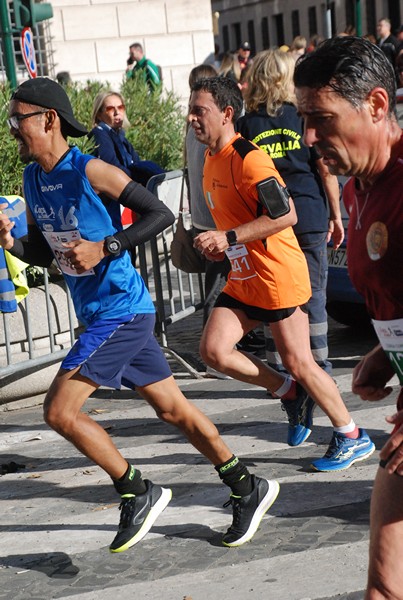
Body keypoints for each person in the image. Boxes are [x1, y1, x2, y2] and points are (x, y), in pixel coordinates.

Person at [0, 76, 279, 552]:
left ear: (48, 120)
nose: (10, 130)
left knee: (58, 411)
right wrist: (11, 243)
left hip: (122, 312)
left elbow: (158, 214)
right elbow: (52, 256)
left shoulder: (90, 171)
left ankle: (136, 490)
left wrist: (106, 246)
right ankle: (247, 486)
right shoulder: (32, 180)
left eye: (16, 119)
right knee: (174, 410)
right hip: (100, 315)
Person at [189, 75, 375, 470]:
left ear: (226, 114)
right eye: (190, 110)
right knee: (213, 351)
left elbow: (285, 214)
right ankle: (288, 392)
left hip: (276, 277)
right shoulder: (210, 158)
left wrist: (229, 237)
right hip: (244, 276)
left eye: (199, 110)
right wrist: (212, 238)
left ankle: (351, 435)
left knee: (301, 362)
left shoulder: (250, 158)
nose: (191, 118)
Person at [294, 35, 403, 599]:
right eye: (303, 119)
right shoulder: (361, 187)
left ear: (377, 106)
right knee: (383, 589)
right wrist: (385, 352)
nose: (310, 138)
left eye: (322, 119)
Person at [237, 49, 343, 376]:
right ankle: (318, 366)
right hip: (309, 213)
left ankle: (281, 367)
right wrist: (336, 215)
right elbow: (325, 169)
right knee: (313, 294)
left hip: (268, 221)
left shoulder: (245, 124)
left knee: (276, 294)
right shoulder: (300, 117)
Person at [186, 65, 230, 331]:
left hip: (205, 216)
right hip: (214, 219)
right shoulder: (202, 129)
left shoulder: (190, 127)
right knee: (217, 287)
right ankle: (214, 347)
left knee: (220, 284)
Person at [90, 90, 164, 189]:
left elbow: (136, 163)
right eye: (110, 109)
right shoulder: (100, 134)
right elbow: (111, 168)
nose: (117, 112)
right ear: (99, 114)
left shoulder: (119, 136)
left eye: (120, 107)